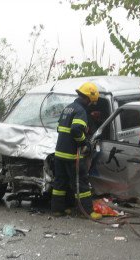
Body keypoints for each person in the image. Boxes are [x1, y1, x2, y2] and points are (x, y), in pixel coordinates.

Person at [51, 82, 102, 220]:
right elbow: (75, 129)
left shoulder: (68, 108)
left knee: (60, 183)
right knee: (81, 182)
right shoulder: (80, 111)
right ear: (88, 99)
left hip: (59, 153)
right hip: (72, 155)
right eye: (93, 102)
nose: (93, 104)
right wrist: (84, 142)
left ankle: (58, 210)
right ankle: (87, 212)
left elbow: (59, 128)